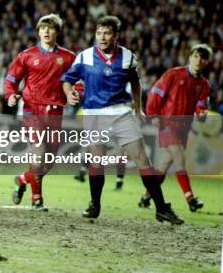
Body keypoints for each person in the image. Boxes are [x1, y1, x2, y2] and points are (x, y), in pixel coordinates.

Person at [61, 15, 184, 224]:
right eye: (99, 33)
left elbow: (135, 82)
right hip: (94, 114)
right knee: (97, 162)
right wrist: (68, 94)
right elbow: (67, 80)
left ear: (116, 35)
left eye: (107, 33)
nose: (102, 37)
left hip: (121, 112)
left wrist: (138, 108)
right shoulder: (85, 56)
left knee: (142, 160)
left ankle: (161, 208)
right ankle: (95, 205)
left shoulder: (128, 57)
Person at [4, 14, 76, 211]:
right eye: (42, 27)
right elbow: (10, 79)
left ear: (57, 32)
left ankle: (21, 180)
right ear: (38, 31)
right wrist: (10, 95)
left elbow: (78, 82)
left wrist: (75, 94)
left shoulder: (69, 57)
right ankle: (37, 199)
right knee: (39, 153)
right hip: (31, 110)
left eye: (50, 27)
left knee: (48, 162)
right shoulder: (26, 55)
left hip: (55, 112)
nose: (46, 31)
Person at [138, 44, 212, 212]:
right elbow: (155, 94)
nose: (198, 60)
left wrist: (201, 114)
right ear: (190, 57)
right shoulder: (173, 74)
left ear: (206, 62)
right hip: (167, 124)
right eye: (196, 56)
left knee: (164, 164)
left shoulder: (204, 84)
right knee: (179, 159)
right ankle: (190, 199)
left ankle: (146, 197)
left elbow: (201, 106)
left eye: (202, 58)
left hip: (183, 128)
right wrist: (154, 116)